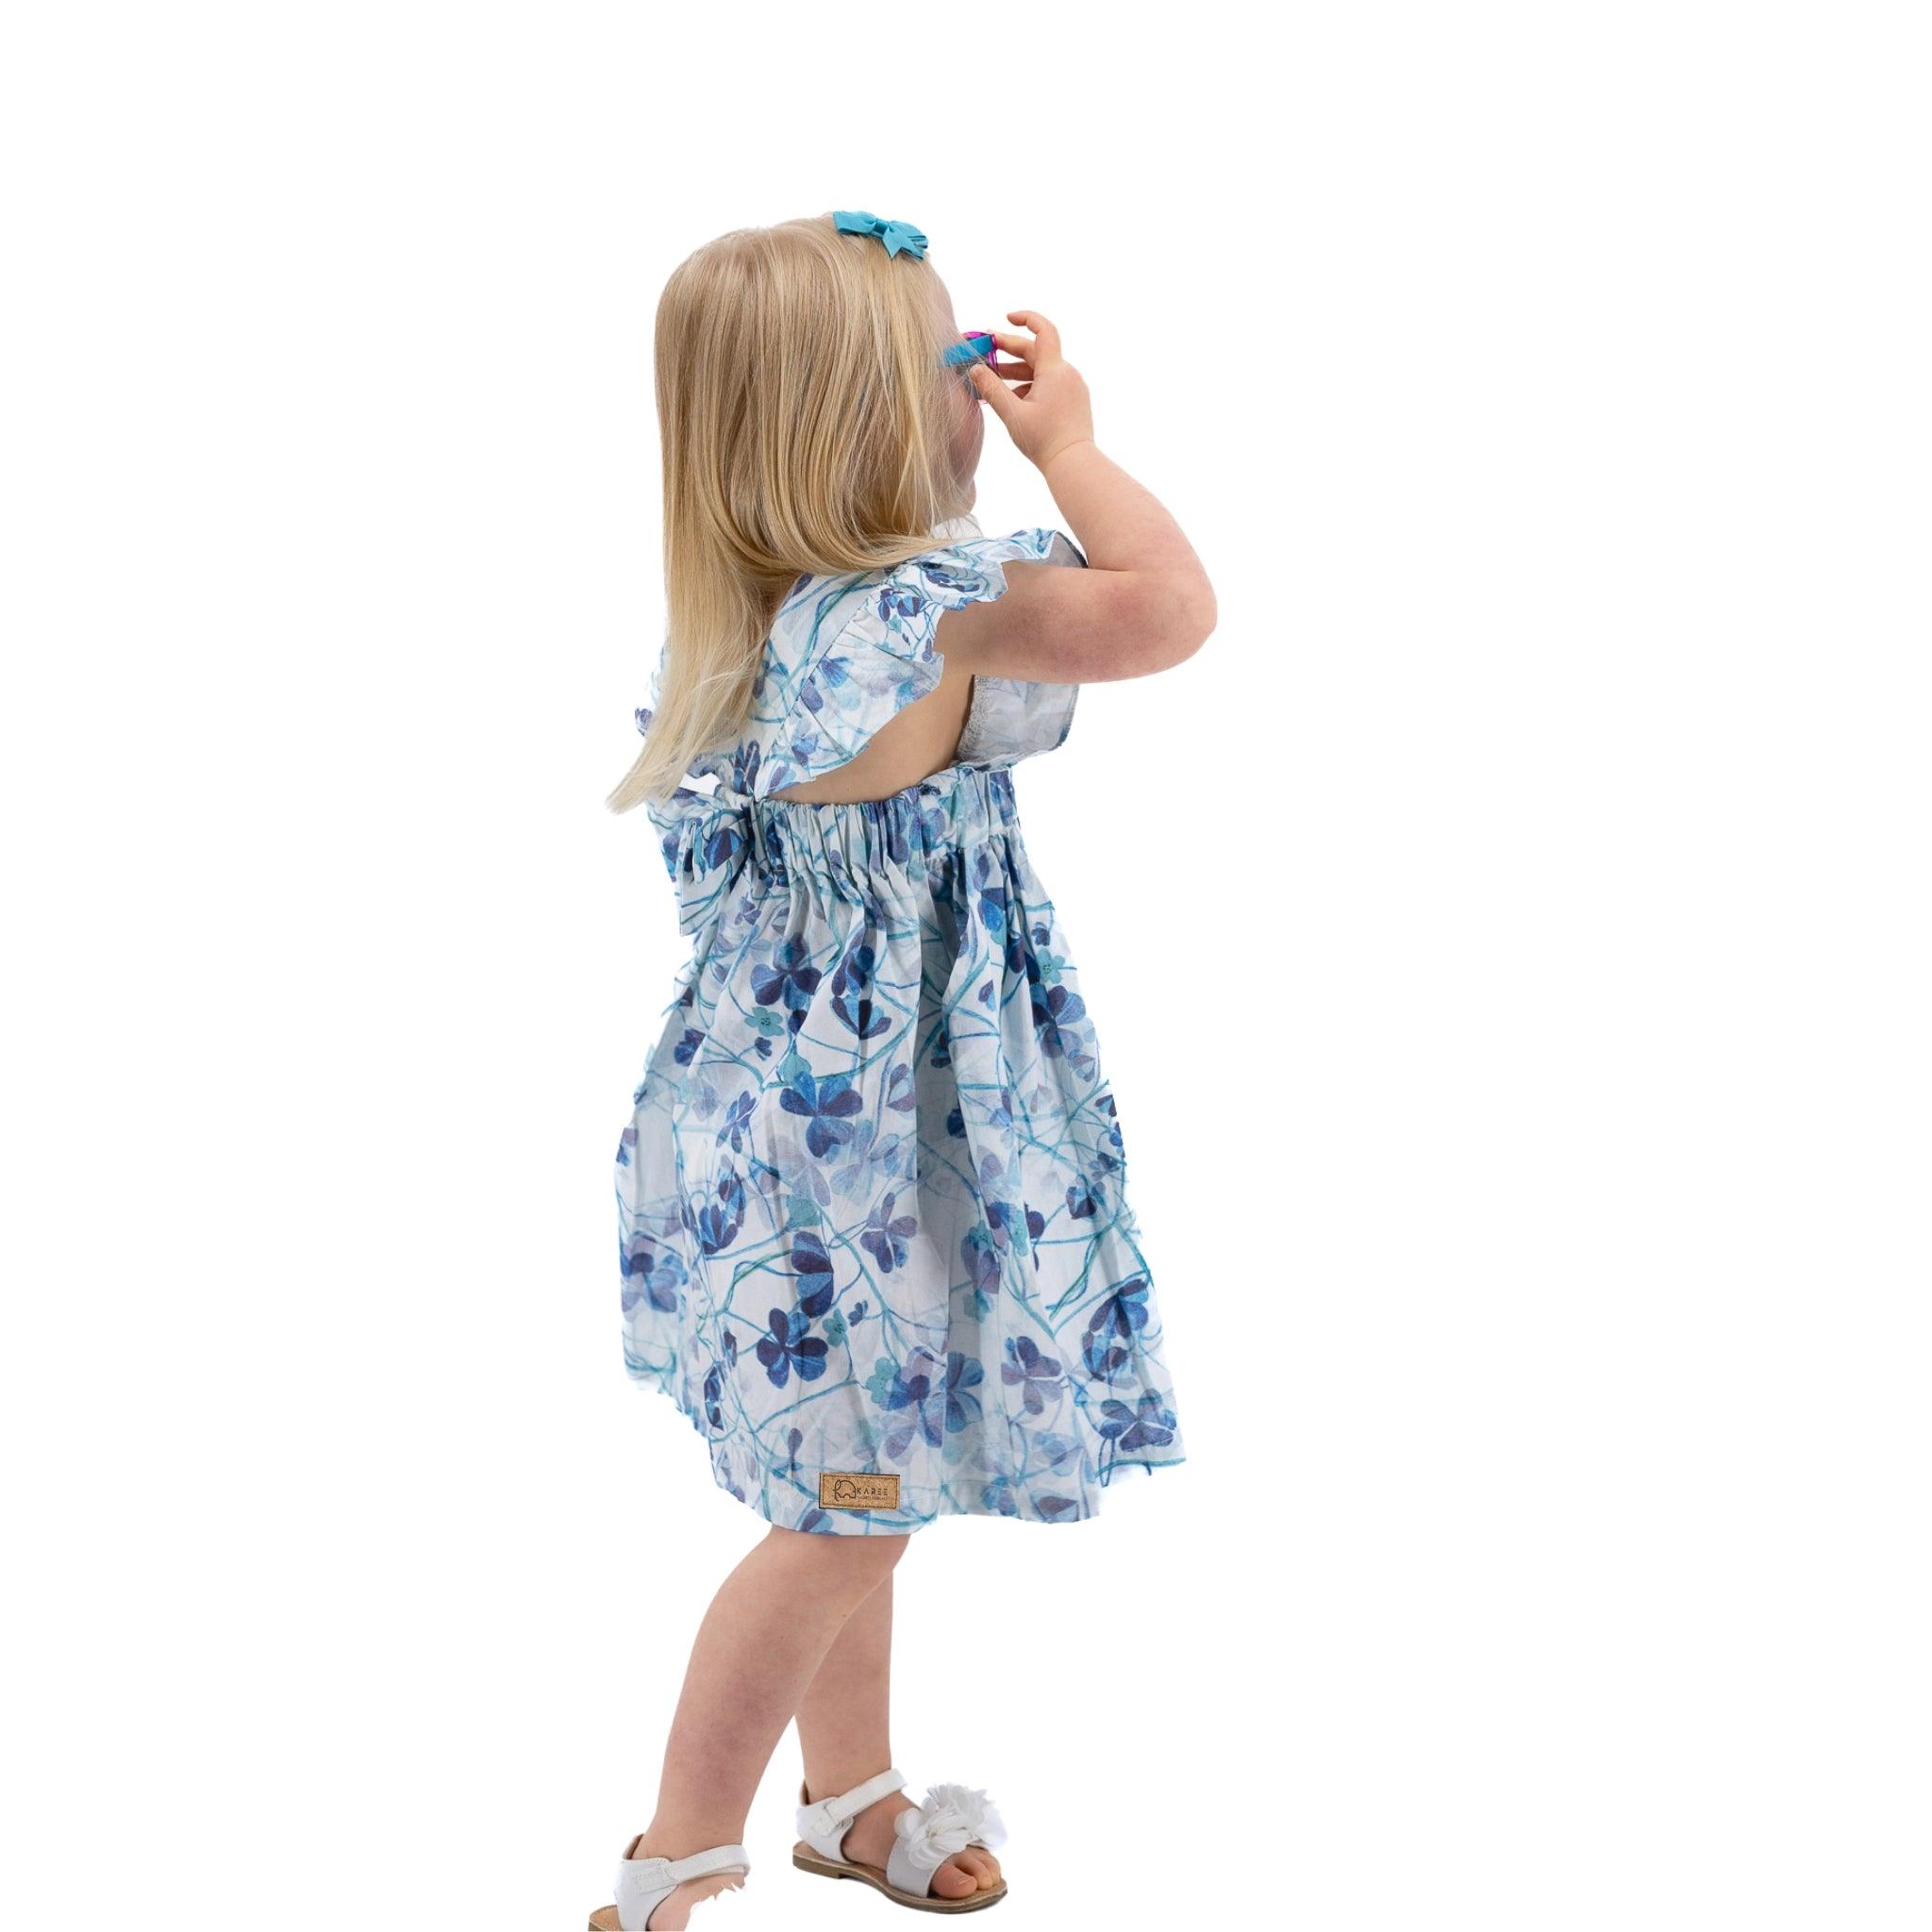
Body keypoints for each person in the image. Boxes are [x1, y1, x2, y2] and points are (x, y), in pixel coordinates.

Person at [591, 209, 1215, 1930]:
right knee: (845, 1515)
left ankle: (852, 1798)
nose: (981, 399)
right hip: (872, 1147)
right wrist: (1071, 446)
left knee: (868, 1474)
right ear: (880, 414)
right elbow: (1170, 611)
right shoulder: (931, 617)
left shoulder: (757, 619)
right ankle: (676, 1850)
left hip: (779, 1128)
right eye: (951, 367)